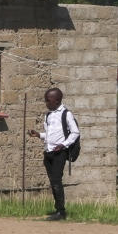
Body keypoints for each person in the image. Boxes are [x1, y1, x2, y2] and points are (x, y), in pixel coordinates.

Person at [28, 87, 80, 221]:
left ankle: (61, 212)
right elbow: (50, 135)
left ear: (57, 100)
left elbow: (75, 132)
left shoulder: (66, 114)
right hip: (49, 152)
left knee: (57, 181)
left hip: (59, 153)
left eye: (48, 100)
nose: (46, 102)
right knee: (53, 182)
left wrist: (64, 145)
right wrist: (38, 135)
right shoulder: (48, 115)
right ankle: (58, 210)